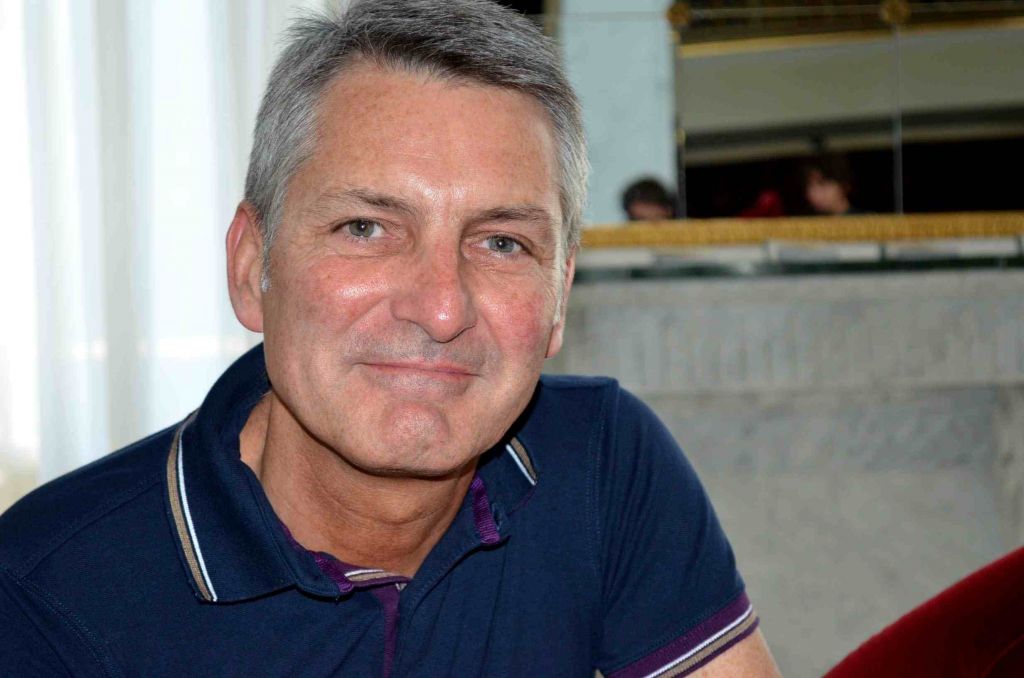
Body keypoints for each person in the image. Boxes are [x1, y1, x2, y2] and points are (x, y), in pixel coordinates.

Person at [0, 1, 779, 676]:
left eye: (502, 242)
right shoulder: (45, 591)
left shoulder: (599, 461)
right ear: (249, 267)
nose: (440, 310)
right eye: (366, 228)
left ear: (558, 299)